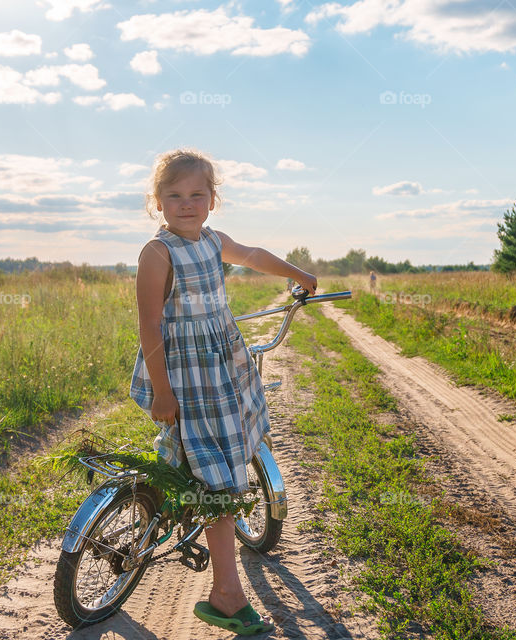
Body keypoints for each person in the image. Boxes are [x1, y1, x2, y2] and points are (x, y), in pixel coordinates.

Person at [130, 148, 317, 635]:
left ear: (213, 200)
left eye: (197, 194)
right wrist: (163, 392)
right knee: (217, 473)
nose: (186, 203)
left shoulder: (213, 241)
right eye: (174, 195)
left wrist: (296, 273)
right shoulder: (158, 253)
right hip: (185, 372)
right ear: (158, 202)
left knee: (223, 460)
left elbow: (251, 255)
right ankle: (227, 594)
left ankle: (218, 575)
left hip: (221, 366)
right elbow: (150, 324)